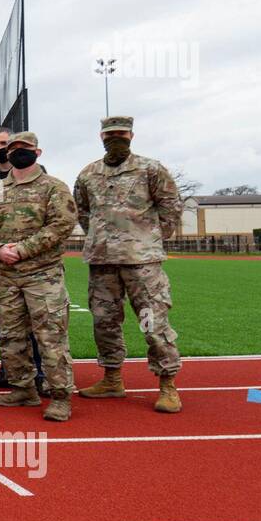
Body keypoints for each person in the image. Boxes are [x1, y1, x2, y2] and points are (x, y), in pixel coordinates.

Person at [74, 115, 185, 412]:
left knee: (152, 322)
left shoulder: (150, 169)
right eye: (110, 135)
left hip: (142, 262)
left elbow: (171, 206)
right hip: (102, 261)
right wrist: (102, 237)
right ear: (101, 137)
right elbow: (83, 212)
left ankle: (167, 384)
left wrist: (148, 238)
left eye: (121, 134)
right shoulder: (88, 174)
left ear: (131, 136)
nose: (116, 139)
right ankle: (112, 378)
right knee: (104, 322)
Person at [0, 131, 78, 421]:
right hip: (5, 277)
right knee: (11, 336)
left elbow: (61, 225)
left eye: (25, 147)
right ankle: (23, 388)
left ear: (37, 152)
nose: (19, 151)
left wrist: (22, 250)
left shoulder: (53, 188)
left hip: (42, 277)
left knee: (50, 337)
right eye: (14, 148)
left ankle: (60, 395)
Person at [0, 126, 45, 391]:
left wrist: (22, 249)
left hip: (35, 266)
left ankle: (40, 372)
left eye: (4, 143)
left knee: (38, 320)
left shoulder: (41, 176)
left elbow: (50, 221)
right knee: (5, 320)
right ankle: (10, 370)